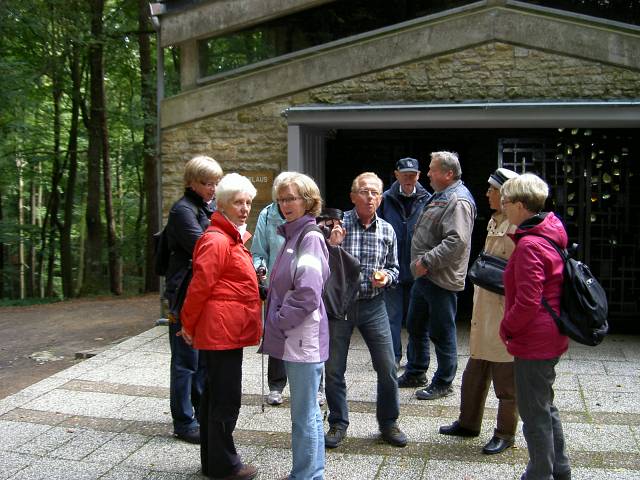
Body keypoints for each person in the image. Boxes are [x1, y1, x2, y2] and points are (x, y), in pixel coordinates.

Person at [179, 173, 262, 480]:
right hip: (221, 331)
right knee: (225, 399)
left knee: (215, 397)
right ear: (223, 205)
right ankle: (225, 466)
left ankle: (213, 462)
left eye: (248, 202)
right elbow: (199, 287)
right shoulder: (217, 240)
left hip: (226, 330)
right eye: (238, 202)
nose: (245, 208)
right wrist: (188, 325)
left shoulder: (230, 237)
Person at [324, 172, 407, 449]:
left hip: (374, 305)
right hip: (340, 307)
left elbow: (395, 269)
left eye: (374, 193)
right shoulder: (336, 225)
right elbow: (319, 264)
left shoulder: (387, 230)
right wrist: (332, 245)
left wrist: (387, 277)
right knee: (334, 368)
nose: (369, 197)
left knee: (387, 367)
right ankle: (338, 422)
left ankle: (388, 422)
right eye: (364, 191)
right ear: (352, 196)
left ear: (381, 199)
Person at [439, 167, 519, 455]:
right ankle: (468, 422)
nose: (487, 194)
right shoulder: (496, 221)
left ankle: (505, 433)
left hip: (503, 314)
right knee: (474, 374)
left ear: (505, 194)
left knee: (506, 382)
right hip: (484, 311)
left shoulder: (516, 226)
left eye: (492, 190)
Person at [499, 173, 571, 480]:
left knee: (533, 412)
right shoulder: (550, 230)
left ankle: (540, 473)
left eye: (505, 201)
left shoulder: (530, 244)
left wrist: (507, 327)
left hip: (535, 339)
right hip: (550, 333)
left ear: (519, 205)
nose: (502, 206)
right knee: (544, 405)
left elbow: (528, 301)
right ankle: (560, 468)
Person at [262, 173, 330, 480]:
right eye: (281, 199)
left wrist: (278, 320)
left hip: (302, 337)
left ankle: (306, 476)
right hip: (296, 336)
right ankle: (309, 474)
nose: (285, 205)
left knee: (304, 415)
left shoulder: (309, 237)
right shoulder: (293, 234)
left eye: (291, 198)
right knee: (307, 412)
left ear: (308, 200)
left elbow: (308, 293)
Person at [398, 151, 476, 401]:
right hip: (425, 276)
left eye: (432, 169)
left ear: (448, 173)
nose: (428, 173)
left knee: (441, 331)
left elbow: (457, 242)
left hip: (440, 278)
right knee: (415, 324)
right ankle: (416, 372)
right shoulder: (441, 195)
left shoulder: (458, 200)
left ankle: (443, 382)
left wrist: (426, 261)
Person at [164, 155, 223, 444]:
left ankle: (199, 415)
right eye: (207, 183)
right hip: (183, 294)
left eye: (216, 183)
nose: (213, 188)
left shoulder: (206, 207)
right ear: (191, 183)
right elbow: (205, 248)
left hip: (201, 293)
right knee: (185, 361)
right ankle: (184, 422)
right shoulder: (182, 210)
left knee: (200, 361)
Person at [377, 157, 431, 367]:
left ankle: (414, 360)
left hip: (418, 268)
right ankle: (393, 358)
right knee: (392, 316)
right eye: (405, 174)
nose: (409, 178)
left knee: (416, 318)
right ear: (396, 175)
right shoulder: (385, 199)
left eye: (413, 175)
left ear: (418, 176)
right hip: (392, 267)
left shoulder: (428, 199)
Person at [251, 171, 294, 406]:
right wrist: (261, 268)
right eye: (282, 195)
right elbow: (258, 252)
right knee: (276, 336)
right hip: (275, 287)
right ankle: (276, 386)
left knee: (307, 337)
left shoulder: (305, 213)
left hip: (301, 285)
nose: (285, 200)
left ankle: (315, 386)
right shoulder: (267, 215)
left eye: (290, 195)